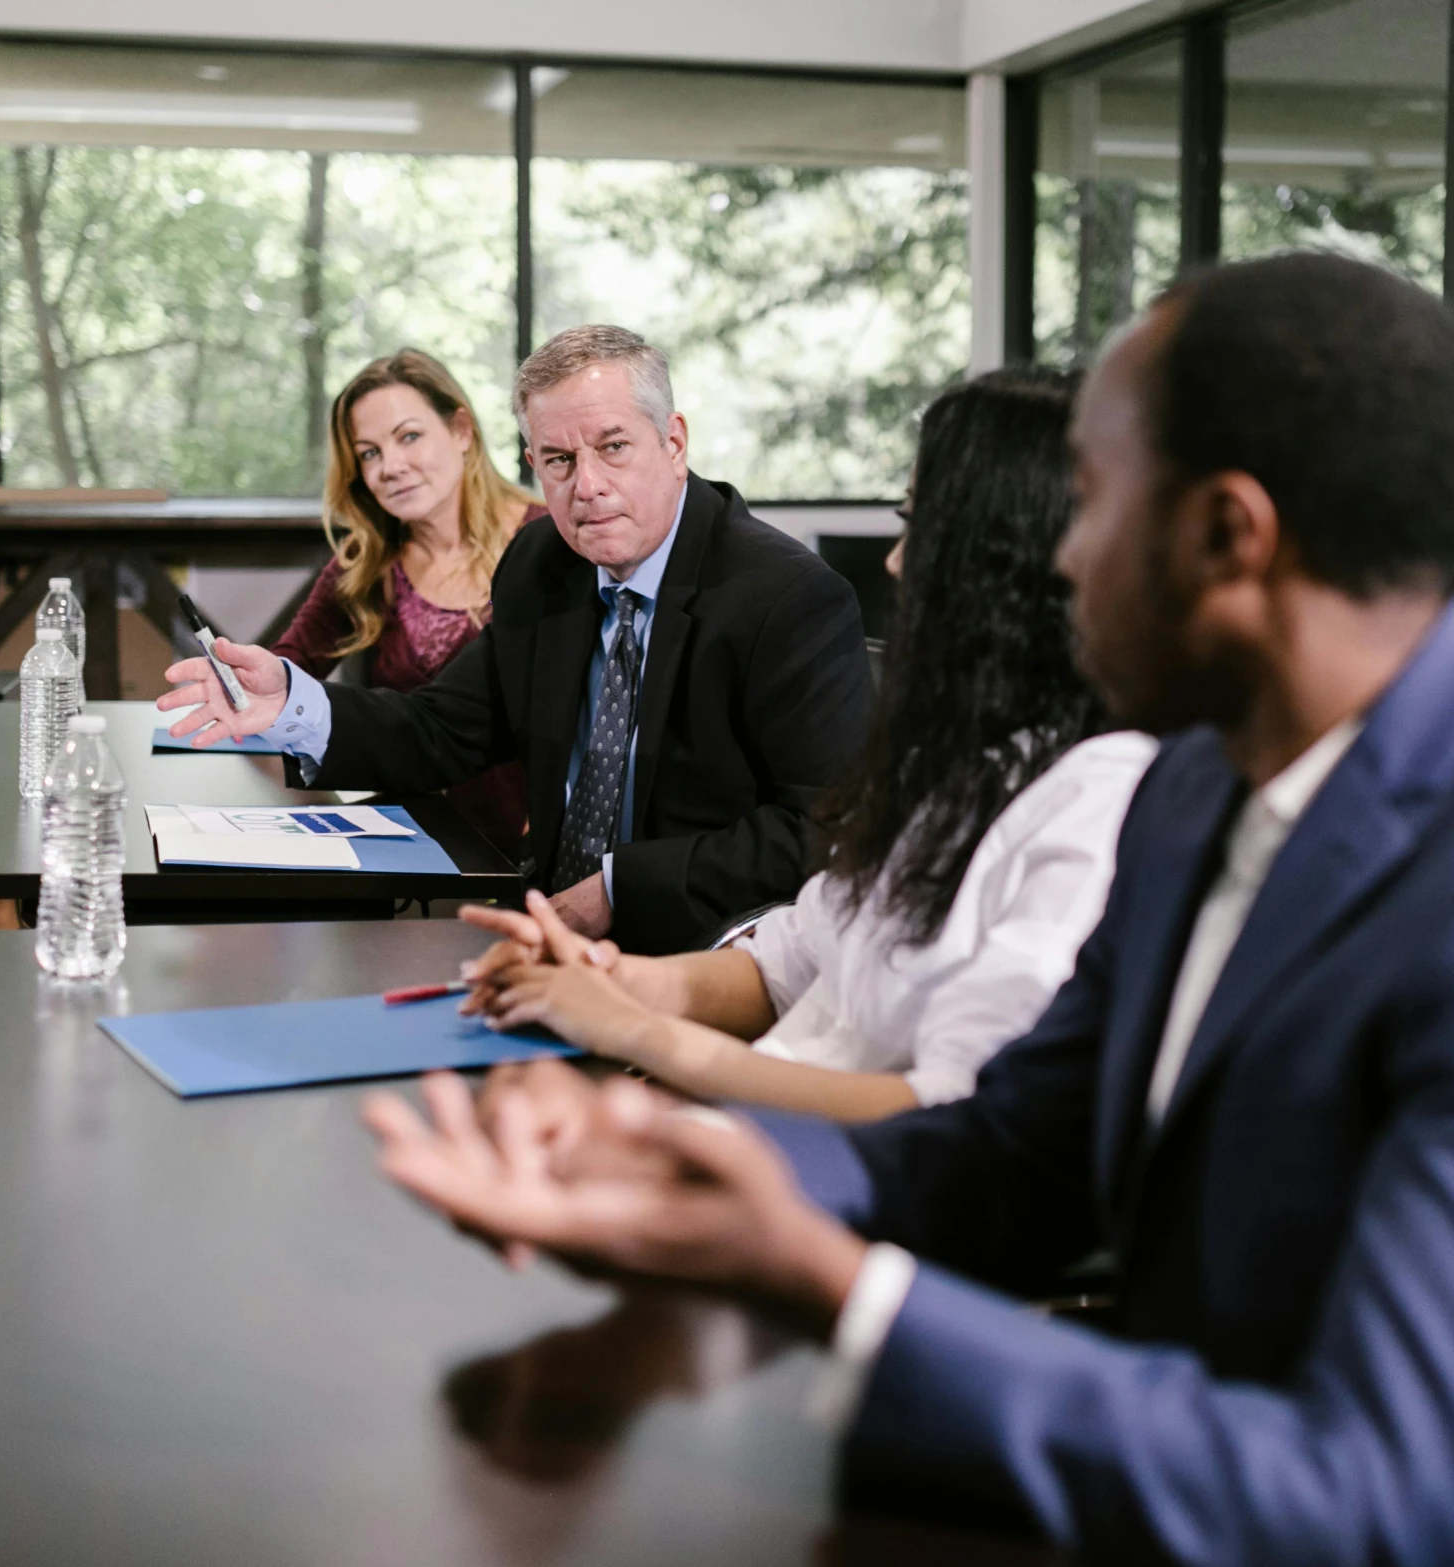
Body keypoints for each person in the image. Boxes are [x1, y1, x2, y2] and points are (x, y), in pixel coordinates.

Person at [360, 254, 1454, 1563]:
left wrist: (835, 1291)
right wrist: (692, 1177)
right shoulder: (1197, 788)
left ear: (1228, 535)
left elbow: (1382, 1498)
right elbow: (1016, 1143)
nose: (1049, 558)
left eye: (1093, 502)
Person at [465, 368, 1156, 1120]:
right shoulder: (961, 764)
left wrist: (645, 1036)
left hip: (829, 1173)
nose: (895, 562)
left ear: (1014, 558)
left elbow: (959, 1111)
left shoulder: (1100, 804)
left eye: (917, 524)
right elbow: (786, 961)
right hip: (742, 1116)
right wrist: (602, 980)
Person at [158, 325, 874, 956]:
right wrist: (293, 703)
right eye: (557, 460)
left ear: (675, 441)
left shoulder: (787, 598)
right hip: (536, 927)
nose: (585, 485)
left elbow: (820, 832)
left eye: (613, 447)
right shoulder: (544, 565)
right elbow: (446, 727)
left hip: (698, 953)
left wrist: (618, 889)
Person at [272, 349, 544, 851]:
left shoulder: (547, 542)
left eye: (409, 437)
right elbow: (286, 668)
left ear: (461, 431)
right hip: (407, 846)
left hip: (531, 854)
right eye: (370, 453)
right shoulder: (366, 564)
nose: (390, 467)